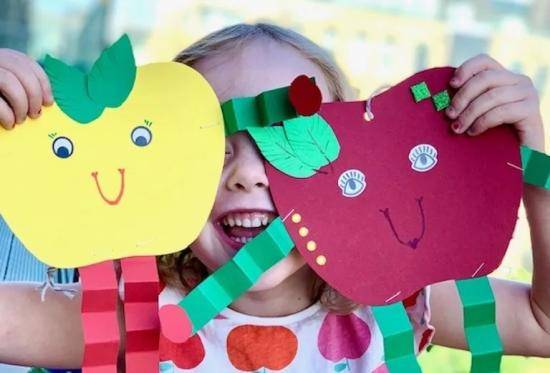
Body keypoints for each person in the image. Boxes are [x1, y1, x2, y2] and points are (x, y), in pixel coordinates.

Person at [0, 23, 548, 372]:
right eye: (212, 145)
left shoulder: (395, 304)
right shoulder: (130, 315)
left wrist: (535, 171)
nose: (247, 176)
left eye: (289, 144)